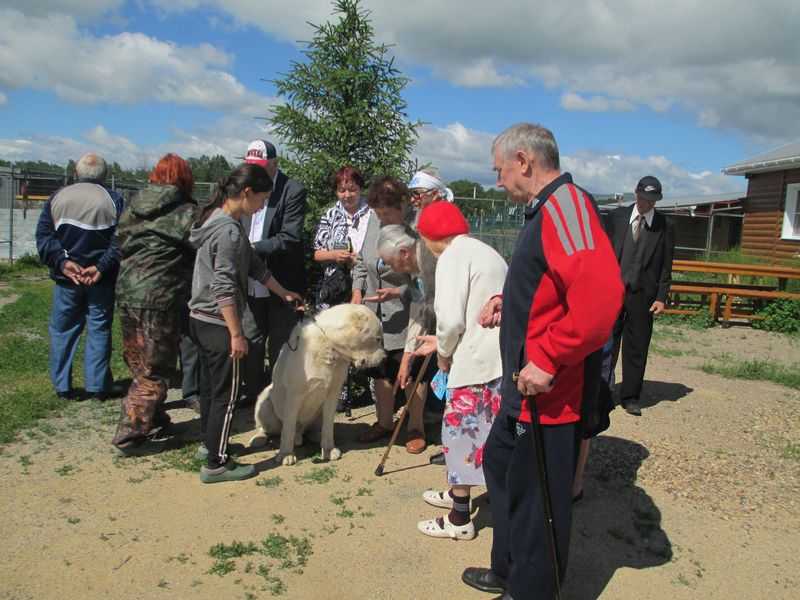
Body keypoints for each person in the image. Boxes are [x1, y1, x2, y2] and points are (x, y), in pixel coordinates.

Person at [462, 123, 623, 600]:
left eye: (499, 170)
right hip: (523, 388)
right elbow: (546, 280)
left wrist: (550, 357)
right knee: (499, 465)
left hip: (550, 393)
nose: (497, 182)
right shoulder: (545, 209)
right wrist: (504, 297)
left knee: (537, 497)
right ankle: (508, 568)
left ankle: (532, 590)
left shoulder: (567, 206)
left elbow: (602, 297)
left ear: (524, 162)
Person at [189, 164, 303, 483]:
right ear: (246, 193)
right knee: (225, 395)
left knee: (210, 389)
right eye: (262, 200)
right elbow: (224, 284)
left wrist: (283, 293)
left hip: (199, 318)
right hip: (218, 322)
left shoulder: (220, 219)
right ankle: (217, 464)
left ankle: (210, 444)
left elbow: (252, 265)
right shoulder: (227, 230)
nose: (262, 207)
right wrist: (236, 333)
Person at [410, 201, 507, 541]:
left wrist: (443, 354)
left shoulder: (450, 257)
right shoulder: (486, 251)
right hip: (497, 360)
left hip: (473, 363)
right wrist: (443, 340)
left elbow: (451, 320)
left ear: (430, 237)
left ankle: (459, 518)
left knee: (460, 438)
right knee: (486, 435)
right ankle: (458, 494)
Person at [111, 154, 197, 452]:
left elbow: (119, 241)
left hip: (127, 292)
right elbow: (197, 247)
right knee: (155, 367)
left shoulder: (133, 205)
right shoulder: (187, 211)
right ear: (185, 179)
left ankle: (155, 417)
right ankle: (130, 434)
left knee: (138, 359)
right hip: (160, 296)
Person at [35, 153, 123, 400]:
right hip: (100, 279)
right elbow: (120, 240)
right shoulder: (114, 200)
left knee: (63, 330)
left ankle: (62, 386)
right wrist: (101, 267)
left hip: (67, 279)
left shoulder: (58, 197)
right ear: (105, 175)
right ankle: (97, 387)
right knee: (99, 328)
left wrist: (63, 263)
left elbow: (44, 236)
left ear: (76, 172)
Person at [241, 140, 308, 404]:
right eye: (251, 167)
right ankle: (254, 393)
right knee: (251, 340)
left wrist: (250, 248)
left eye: (261, 167)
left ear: (274, 164)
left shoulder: (292, 190)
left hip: (282, 280)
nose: (256, 172)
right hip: (250, 281)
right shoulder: (244, 188)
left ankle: (279, 396)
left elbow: (289, 237)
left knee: (280, 344)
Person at [607, 176, 675, 416]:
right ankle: (603, 393)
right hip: (613, 292)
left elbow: (667, 265)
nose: (647, 203)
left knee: (637, 347)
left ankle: (630, 396)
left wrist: (661, 296)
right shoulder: (616, 218)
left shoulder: (664, 225)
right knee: (607, 344)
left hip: (643, 295)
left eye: (652, 200)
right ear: (636, 194)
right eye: (644, 198)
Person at [353, 176, 413, 444]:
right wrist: (357, 294)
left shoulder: (415, 229)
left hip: (406, 312)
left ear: (401, 205)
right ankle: (384, 422)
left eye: (386, 213)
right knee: (380, 370)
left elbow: (424, 279)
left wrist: (399, 292)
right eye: (378, 214)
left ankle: (415, 428)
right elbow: (360, 263)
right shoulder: (372, 223)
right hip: (374, 313)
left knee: (409, 373)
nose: (382, 219)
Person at [375, 223, 439, 454]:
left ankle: (418, 429)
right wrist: (397, 292)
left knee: (418, 371)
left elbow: (421, 312)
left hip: (451, 326)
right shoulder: (414, 264)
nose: (390, 269)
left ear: (404, 253)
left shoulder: (430, 261)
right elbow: (418, 294)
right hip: (431, 322)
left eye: (391, 263)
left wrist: (407, 357)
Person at [313, 166, 369, 308]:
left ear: (360, 189)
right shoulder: (330, 216)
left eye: (352, 189)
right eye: (342, 190)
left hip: (368, 284)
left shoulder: (373, 214)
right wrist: (335, 255)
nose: (347, 195)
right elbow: (317, 253)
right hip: (337, 288)